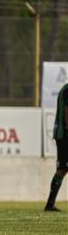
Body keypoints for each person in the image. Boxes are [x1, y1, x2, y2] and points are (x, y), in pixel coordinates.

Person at [44, 83, 68, 212]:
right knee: (62, 169)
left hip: (62, 135)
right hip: (65, 134)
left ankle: (50, 203)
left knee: (62, 169)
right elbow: (67, 114)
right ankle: (50, 203)